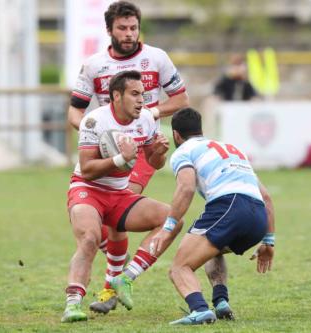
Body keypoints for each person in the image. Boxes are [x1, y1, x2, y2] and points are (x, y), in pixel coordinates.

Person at [67, 1, 189, 313]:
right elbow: (75, 110)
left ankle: (114, 285)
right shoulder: (94, 65)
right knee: (111, 223)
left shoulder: (157, 58)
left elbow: (181, 99)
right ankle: (113, 283)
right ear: (109, 30)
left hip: (143, 150)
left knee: (118, 212)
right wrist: (98, 136)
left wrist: (149, 112)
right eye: (122, 28)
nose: (129, 33)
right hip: (111, 150)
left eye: (133, 27)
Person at [61, 71, 183, 323]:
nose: (142, 100)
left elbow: (154, 162)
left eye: (144, 94)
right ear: (117, 96)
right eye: (135, 94)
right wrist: (121, 158)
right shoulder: (95, 120)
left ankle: (125, 277)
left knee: (172, 220)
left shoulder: (147, 119)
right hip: (87, 189)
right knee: (90, 238)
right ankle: (73, 304)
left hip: (119, 193)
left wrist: (159, 153)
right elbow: (87, 169)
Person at [149, 108, 276, 325]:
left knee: (180, 267)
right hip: (257, 217)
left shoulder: (183, 151)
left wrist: (168, 227)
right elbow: (266, 198)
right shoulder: (232, 149)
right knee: (214, 249)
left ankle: (199, 309)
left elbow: (186, 188)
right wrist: (268, 241)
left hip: (229, 206)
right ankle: (220, 302)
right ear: (201, 130)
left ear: (176, 135)